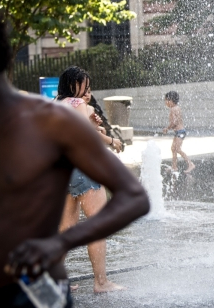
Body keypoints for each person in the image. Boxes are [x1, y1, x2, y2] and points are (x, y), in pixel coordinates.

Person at [0, 0, 149, 307]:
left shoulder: (52, 120)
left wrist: (62, 242)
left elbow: (134, 197)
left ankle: (100, 280)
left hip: (40, 296)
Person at [56, 67, 125, 293]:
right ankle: (101, 282)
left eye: (88, 85)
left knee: (65, 228)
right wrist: (112, 141)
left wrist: (94, 120)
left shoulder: (56, 103)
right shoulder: (77, 105)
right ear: (72, 85)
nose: (87, 90)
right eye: (83, 85)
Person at [162, 91, 195, 173]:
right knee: (173, 149)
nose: (165, 102)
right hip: (180, 132)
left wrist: (167, 128)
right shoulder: (177, 108)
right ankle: (174, 167)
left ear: (171, 100)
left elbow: (174, 122)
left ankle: (190, 164)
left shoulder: (173, 109)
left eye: (166, 100)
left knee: (177, 149)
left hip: (180, 132)